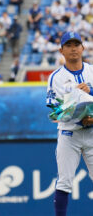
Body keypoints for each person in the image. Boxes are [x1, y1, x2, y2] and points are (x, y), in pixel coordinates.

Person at [46, 32, 93, 216]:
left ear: (83, 48)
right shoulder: (56, 77)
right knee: (64, 182)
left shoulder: (91, 71)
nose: (73, 48)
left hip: (92, 133)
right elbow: (53, 111)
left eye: (76, 44)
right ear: (61, 50)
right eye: (69, 45)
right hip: (69, 134)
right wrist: (73, 107)